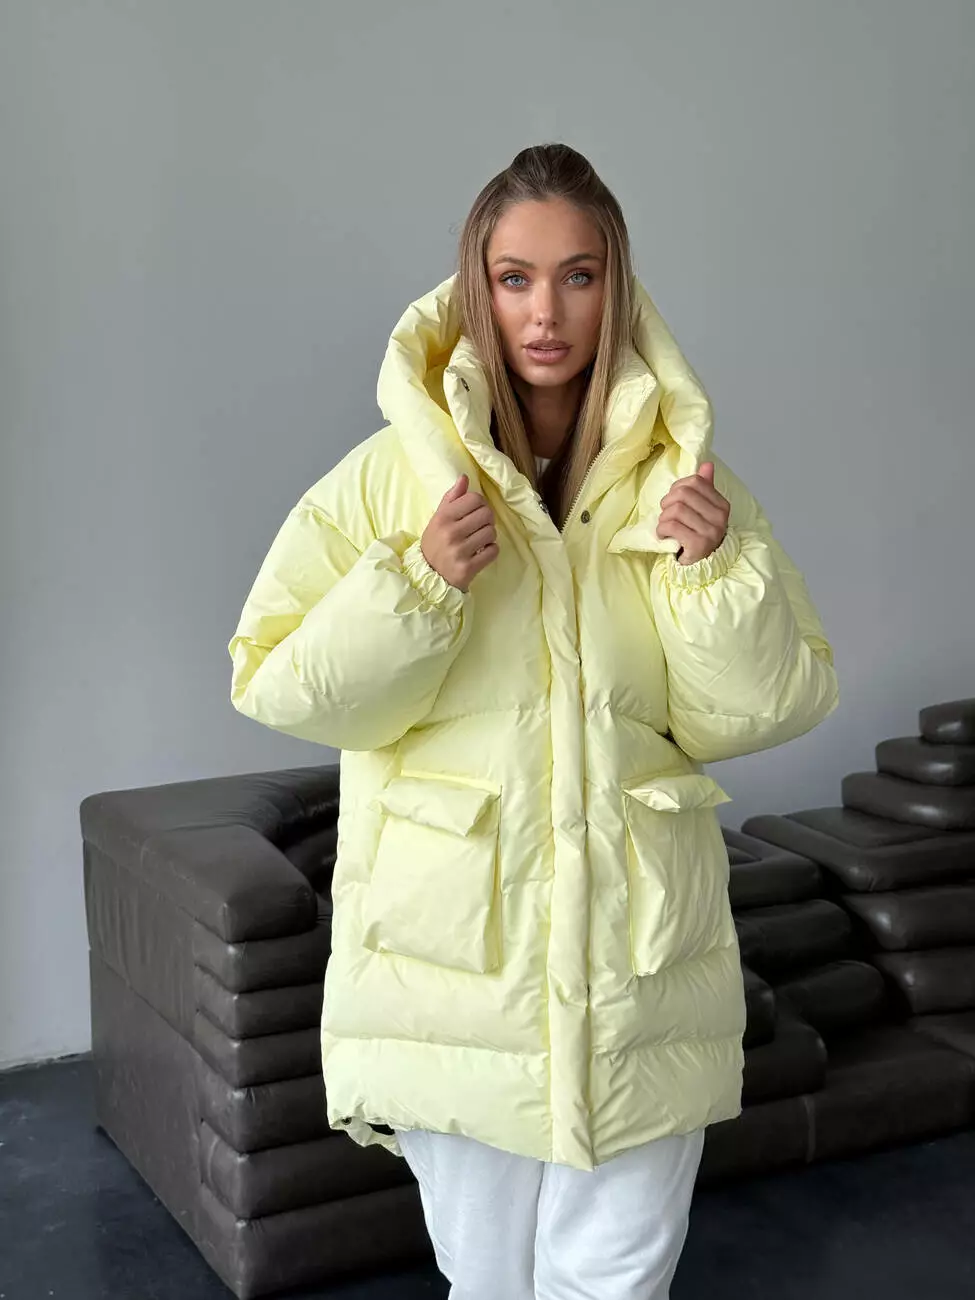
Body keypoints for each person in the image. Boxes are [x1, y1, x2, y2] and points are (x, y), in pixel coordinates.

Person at [228, 143, 839, 1300]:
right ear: (478, 287)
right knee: (491, 1280)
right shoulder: (387, 481)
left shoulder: (685, 485)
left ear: (617, 288)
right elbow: (279, 684)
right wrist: (420, 583)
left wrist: (712, 574)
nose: (545, 313)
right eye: (514, 278)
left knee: (617, 1279)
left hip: (640, 963)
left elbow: (772, 703)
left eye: (578, 275)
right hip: (458, 967)